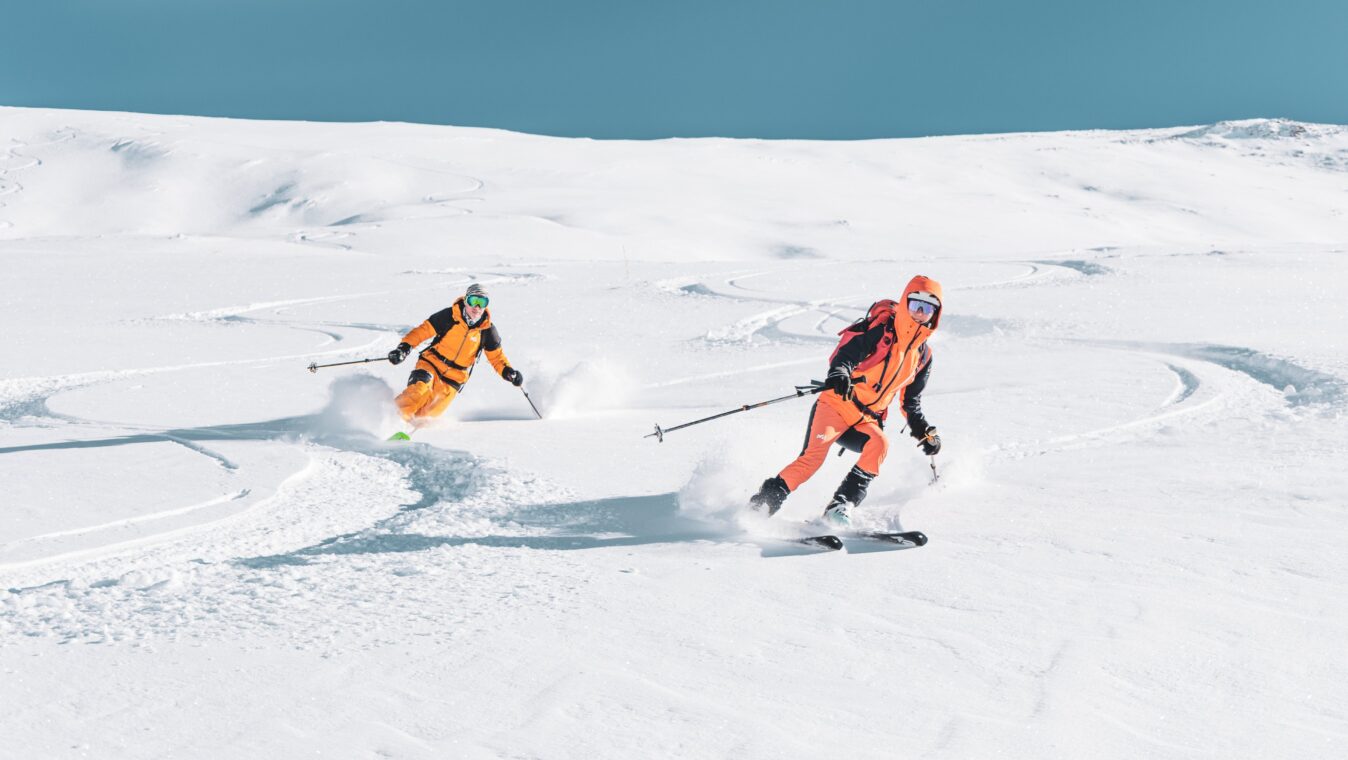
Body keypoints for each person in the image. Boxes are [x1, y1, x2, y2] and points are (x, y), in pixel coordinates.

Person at [749, 275, 944, 526]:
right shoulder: (882, 331)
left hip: (866, 419)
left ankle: (840, 505)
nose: (919, 313)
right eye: (915, 304)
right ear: (905, 302)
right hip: (836, 406)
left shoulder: (922, 356)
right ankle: (761, 504)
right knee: (811, 460)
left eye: (927, 308)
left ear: (935, 315)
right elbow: (847, 354)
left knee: (880, 445)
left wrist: (924, 432)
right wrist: (840, 373)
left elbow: (910, 402)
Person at [387, 283, 524, 426]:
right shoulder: (450, 316)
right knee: (419, 390)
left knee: (427, 415)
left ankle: (403, 432)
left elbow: (496, 358)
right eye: (473, 301)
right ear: (466, 300)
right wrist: (403, 348)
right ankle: (391, 421)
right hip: (431, 363)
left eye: (482, 302)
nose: (476, 307)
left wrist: (508, 372)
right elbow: (423, 331)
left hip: (454, 379)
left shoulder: (487, 331)